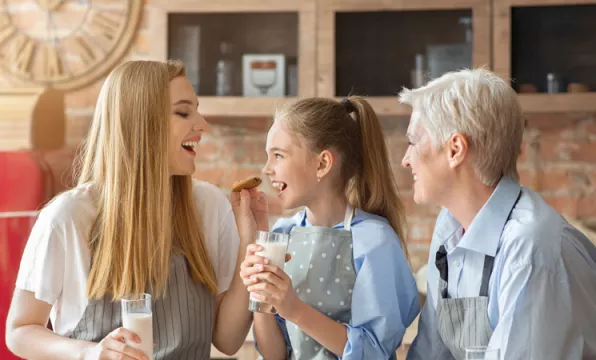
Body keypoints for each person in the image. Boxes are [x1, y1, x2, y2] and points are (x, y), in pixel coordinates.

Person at [5, 60, 258, 360]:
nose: (202, 124)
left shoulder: (209, 205)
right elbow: (20, 331)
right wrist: (91, 353)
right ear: (141, 122)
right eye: (183, 112)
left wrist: (249, 246)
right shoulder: (68, 217)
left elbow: (228, 341)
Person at [400, 68, 596, 360]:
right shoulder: (450, 226)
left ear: (455, 149)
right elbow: (431, 353)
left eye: (413, 142)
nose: (406, 160)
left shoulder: (531, 248)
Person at [237, 97, 421, 359]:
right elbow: (274, 354)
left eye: (278, 155)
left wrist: (294, 309)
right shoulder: (283, 233)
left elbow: (374, 352)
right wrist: (260, 293)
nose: (267, 169)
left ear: (322, 163)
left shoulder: (374, 240)